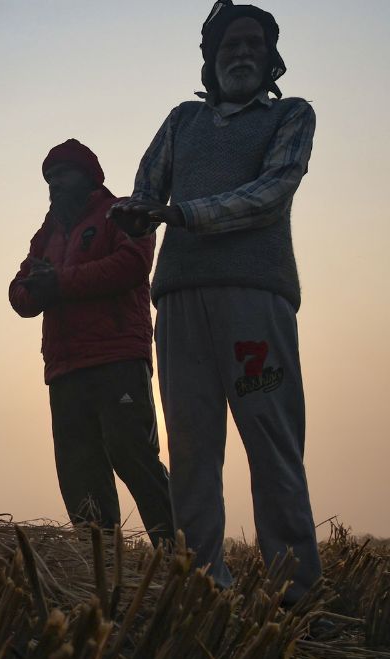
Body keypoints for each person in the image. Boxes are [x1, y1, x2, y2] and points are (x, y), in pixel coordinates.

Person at [109, 1, 320, 601]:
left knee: (272, 442)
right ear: (211, 59)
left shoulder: (293, 116)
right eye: (230, 46)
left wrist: (181, 214)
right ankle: (201, 589)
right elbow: (147, 188)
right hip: (179, 301)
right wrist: (132, 213)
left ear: (273, 59)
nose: (242, 54)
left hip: (255, 298)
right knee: (192, 451)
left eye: (254, 44)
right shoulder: (182, 121)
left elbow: (272, 193)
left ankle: (293, 593)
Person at [9, 139, 173, 546]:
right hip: (64, 368)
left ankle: (181, 556)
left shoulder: (121, 214)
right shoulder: (46, 235)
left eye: (62, 174)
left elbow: (133, 265)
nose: (54, 184)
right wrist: (33, 289)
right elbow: (19, 293)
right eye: (49, 178)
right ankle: (102, 567)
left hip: (116, 357)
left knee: (132, 455)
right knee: (79, 470)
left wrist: (59, 283)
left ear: (88, 176)